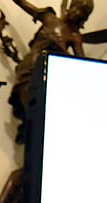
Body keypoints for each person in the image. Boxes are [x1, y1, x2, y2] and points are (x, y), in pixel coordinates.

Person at [7, 0, 93, 141]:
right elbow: (26, 5)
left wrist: (65, 50)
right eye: (78, 9)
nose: (78, 13)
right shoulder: (50, 18)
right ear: (71, 7)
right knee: (30, 104)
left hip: (47, 78)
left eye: (83, 13)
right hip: (29, 69)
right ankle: (29, 131)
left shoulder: (74, 37)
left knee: (41, 114)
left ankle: (32, 136)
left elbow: (82, 68)